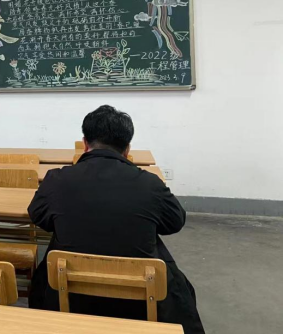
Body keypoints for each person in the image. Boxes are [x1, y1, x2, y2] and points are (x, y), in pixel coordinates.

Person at [27, 105, 204, 334]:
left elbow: (37, 216)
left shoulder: (57, 180)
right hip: (141, 301)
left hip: (68, 294)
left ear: (85, 144)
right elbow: (175, 222)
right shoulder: (150, 184)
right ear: (127, 148)